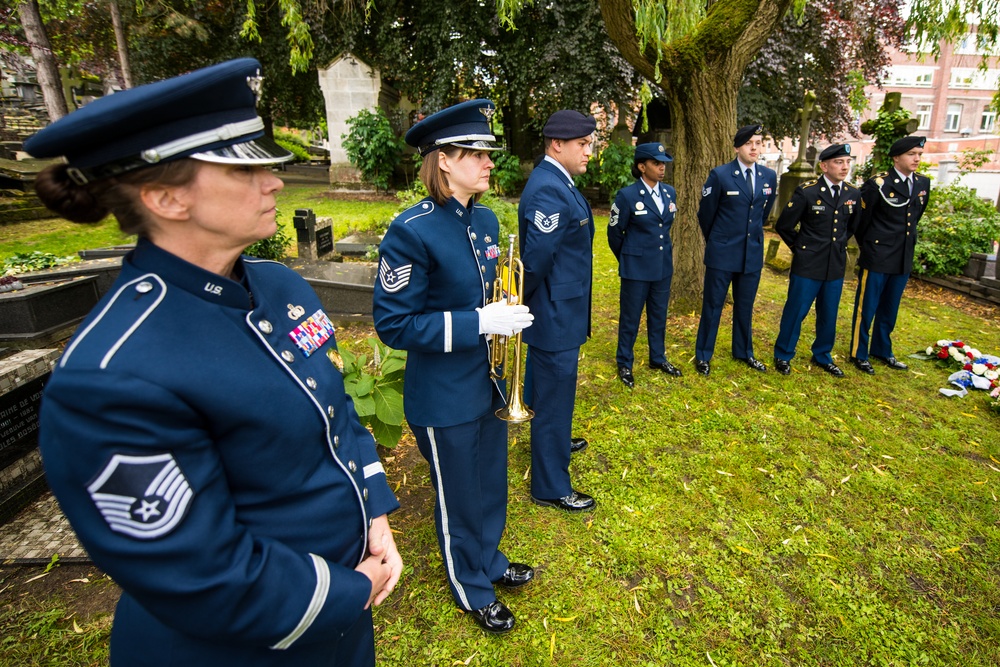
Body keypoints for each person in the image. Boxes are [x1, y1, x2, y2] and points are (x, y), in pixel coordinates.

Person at [27, 58, 401, 667]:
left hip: (342, 617)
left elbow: (336, 415)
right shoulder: (111, 375)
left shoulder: (280, 286)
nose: (275, 180)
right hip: (238, 646)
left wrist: (374, 518)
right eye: (241, 165)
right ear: (166, 197)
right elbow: (199, 571)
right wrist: (350, 590)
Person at [372, 99, 535, 635]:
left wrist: (504, 315)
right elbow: (395, 325)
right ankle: (471, 586)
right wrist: (478, 323)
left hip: (486, 382)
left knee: (491, 481)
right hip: (442, 394)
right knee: (460, 493)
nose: (490, 163)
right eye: (476, 153)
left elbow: (488, 293)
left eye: (489, 153)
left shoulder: (485, 218)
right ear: (443, 160)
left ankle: (488, 560)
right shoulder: (411, 230)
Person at [517, 109, 597, 513]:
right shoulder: (549, 188)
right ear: (557, 144)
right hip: (553, 312)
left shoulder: (557, 181)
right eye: (583, 144)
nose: (589, 152)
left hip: (557, 307)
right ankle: (549, 485)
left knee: (549, 391)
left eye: (589, 144)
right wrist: (522, 304)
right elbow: (535, 261)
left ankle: (553, 438)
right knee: (556, 392)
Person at [694, 124, 778, 376]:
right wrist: (720, 241)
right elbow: (705, 215)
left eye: (759, 143)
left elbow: (762, 213)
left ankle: (744, 352)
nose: (755, 148)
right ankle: (703, 355)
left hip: (750, 254)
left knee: (745, 305)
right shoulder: (720, 175)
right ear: (737, 147)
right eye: (749, 143)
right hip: (722, 253)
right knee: (713, 305)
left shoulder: (768, 176)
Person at [773, 144, 862, 377]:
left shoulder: (853, 193)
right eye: (838, 162)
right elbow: (784, 225)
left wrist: (839, 246)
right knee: (796, 310)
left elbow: (851, 227)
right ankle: (783, 354)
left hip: (835, 264)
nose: (844, 167)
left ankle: (822, 354)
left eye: (847, 162)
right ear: (824, 166)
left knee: (829, 313)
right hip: (808, 264)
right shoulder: (808, 191)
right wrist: (801, 249)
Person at [849, 135, 931, 374]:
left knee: (890, 308)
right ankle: (859, 352)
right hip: (877, 254)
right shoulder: (878, 184)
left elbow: (915, 218)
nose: (917, 159)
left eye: (919, 154)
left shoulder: (922, 183)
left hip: (903, 255)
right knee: (867, 307)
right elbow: (861, 221)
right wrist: (871, 246)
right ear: (897, 157)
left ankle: (882, 350)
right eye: (911, 154)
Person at [607, 142, 682, 388]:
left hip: (661, 266)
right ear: (642, 167)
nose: (662, 168)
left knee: (659, 315)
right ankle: (625, 362)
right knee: (630, 317)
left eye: (663, 164)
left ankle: (657, 358)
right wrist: (629, 257)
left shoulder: (669, 192)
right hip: (636, 268)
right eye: (656, 163)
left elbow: (665, 226)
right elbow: (614, 232)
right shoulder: (627, 196)